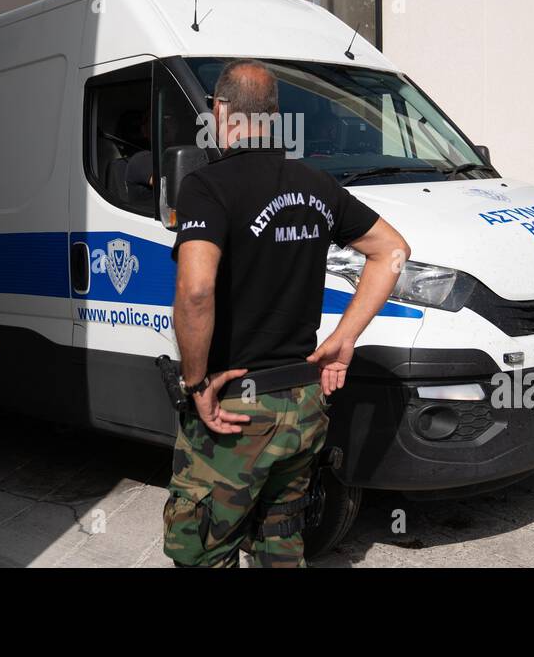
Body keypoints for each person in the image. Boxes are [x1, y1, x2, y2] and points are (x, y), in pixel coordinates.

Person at [163, 58, 409, 567]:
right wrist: (345, 339)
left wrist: (194, 384)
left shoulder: (206, 188)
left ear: (221, 110)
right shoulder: (316, 185)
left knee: (202, 552)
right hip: (304, 405)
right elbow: (392, 250)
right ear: (273, 117)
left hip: (236, 407)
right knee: (281, 543)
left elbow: (195, 290)